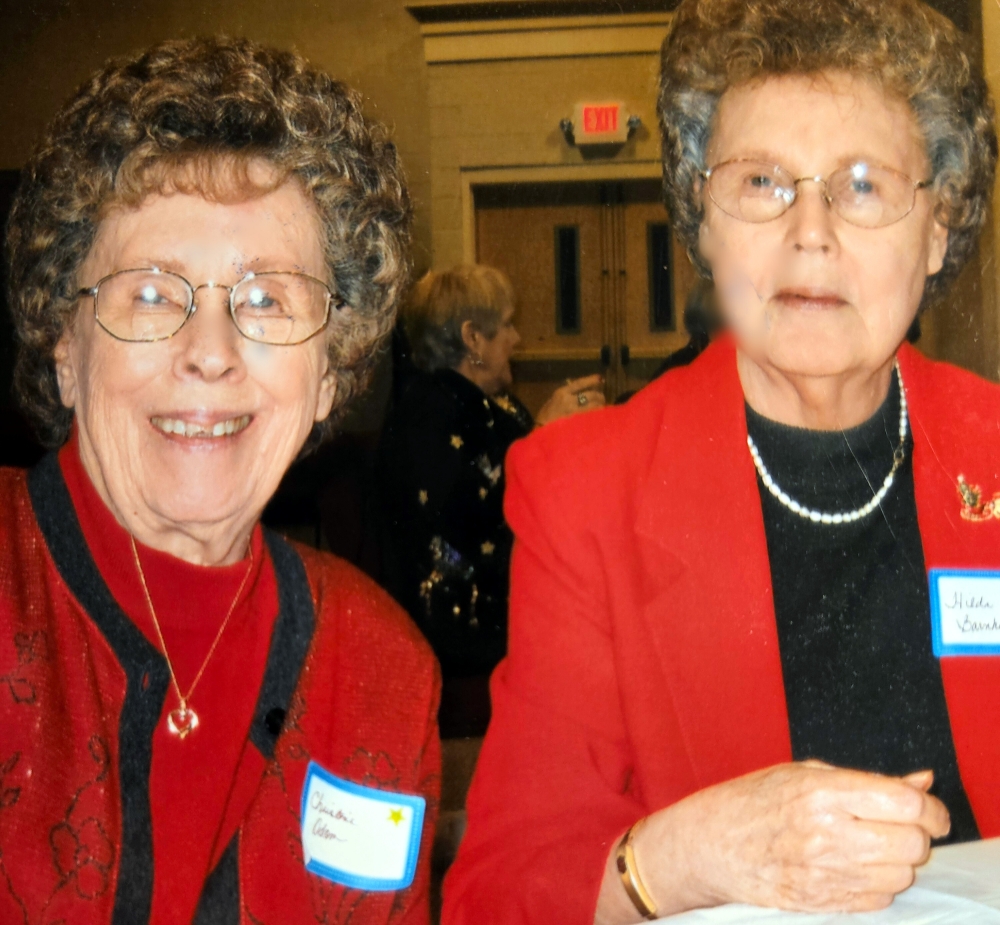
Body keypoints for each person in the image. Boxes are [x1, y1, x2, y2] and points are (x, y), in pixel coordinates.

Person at [443, 0, 1000, 921]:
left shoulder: (993, 450)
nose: (812, 231)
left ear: (938, 226)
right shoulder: (589, 489)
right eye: (762, 182)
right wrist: (693, 854)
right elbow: (500, 892)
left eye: (864, 185)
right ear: (701, 220)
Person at [0, 37, 439, 924]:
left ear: (330, 371)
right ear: (64, 348)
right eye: (152, 293)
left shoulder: (381, 667)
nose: (211, 353)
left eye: (267, 298)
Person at [377, 265, 603, 734]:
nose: (517, 338)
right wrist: (544, 432)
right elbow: (476, 515)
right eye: (506, 325)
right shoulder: (431, 412)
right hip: (460, 626)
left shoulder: (490, 403)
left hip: (504, 603)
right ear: (472, 338)